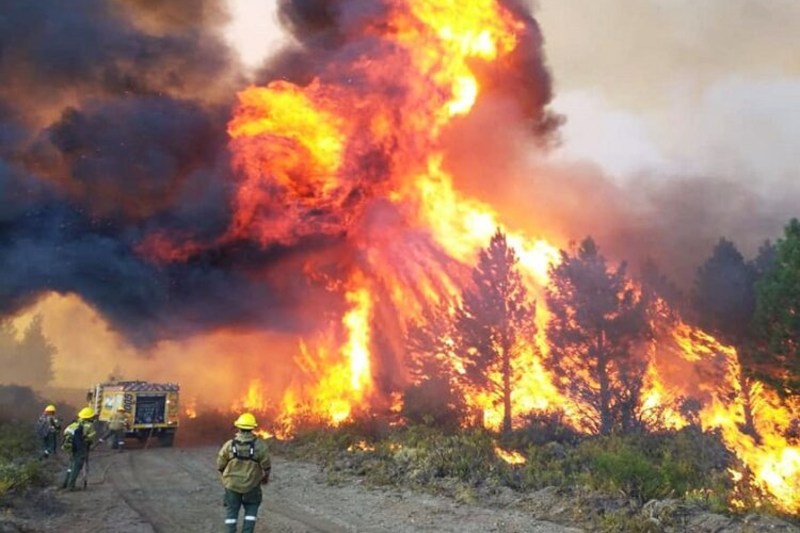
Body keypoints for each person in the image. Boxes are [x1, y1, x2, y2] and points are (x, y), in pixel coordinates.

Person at [216, 412, 271, 533]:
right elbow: (266, 465)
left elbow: (220, 464)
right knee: (251, 508)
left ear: (238, 427)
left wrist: (224, 475)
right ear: (253, 428)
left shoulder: (229, 445)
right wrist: (265, 477)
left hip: (232, 485)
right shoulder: (260, 446)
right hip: (252, 485)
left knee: (232, 510)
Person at [61, 407, 97, 490]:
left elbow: (65, 433)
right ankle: (71, 486)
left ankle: (65, 483)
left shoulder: (74, 424)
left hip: (70, 447)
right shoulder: (89, 425)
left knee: (71, 465)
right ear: (89, 417)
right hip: (80, 448)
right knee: (76, 466)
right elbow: (91, 437)